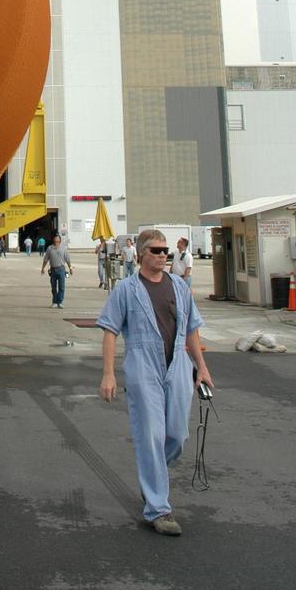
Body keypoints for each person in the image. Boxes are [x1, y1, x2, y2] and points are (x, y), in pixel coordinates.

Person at [98, 228, 213, 536]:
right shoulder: (126, 289)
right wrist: (109, 373)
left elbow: (192, 329)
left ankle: (152, 476)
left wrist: (201, 367)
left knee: (177, 435)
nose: (164, 256)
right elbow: (109, 330)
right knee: (150, 435)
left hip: (177, 366)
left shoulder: (179, 286)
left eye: (167, 252)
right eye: (157, 251)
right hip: (142, 366)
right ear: (140, 254)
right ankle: (158, 509)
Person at [41, 234, 73, 307]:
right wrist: (42, 268)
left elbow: (68, 260)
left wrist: (70, 268)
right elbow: (45, 259)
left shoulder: (64, 249)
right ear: (53, 241)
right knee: (53, 287)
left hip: (61, 269)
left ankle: (60, 302)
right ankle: (54, 302)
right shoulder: (50, 248)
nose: (56, 242)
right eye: (55, 241)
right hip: (53, 270)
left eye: (57, 241)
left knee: (61, 287)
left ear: (60, 241)